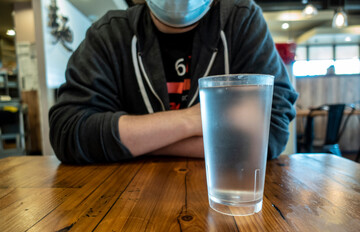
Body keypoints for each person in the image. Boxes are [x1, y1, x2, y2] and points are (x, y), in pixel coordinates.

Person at [49, 0, 298, 164]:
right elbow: (68, 132)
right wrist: (194, 120)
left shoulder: (241, 22)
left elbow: (271, 133)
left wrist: (143, 141)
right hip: (127, 204)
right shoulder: (110, 35)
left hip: (226, 202)